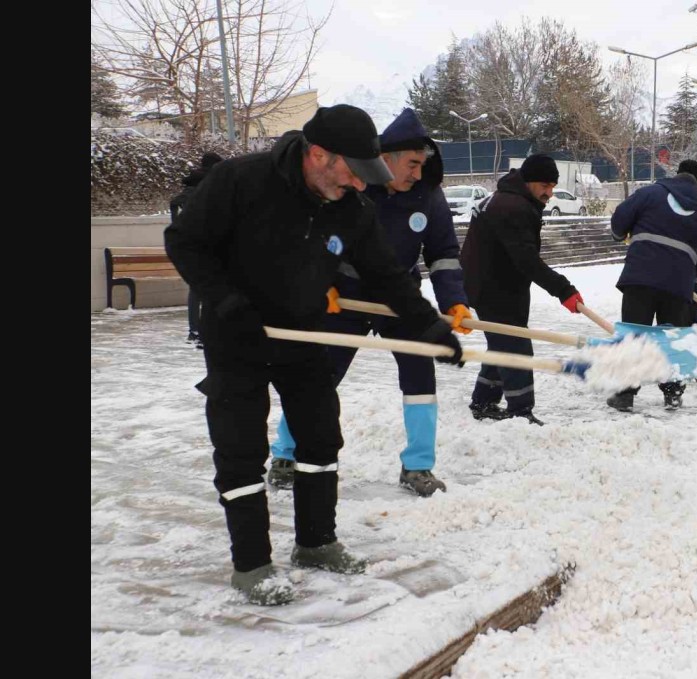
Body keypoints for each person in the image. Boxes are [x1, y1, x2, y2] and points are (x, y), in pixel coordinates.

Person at [164, 104, 463, 606]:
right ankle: (252, 564)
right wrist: (226, 300)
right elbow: (186, 242)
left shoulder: (350, 205)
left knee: (321, 436)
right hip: (237, 333)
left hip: (302, 331)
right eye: (352, 172)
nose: (359, 186)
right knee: (240, 448)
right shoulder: (242, 181)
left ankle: (316, 543)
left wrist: (428, 324)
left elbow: (385, 274)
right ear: (318, 154)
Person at [266, 108, 471, 498]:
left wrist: (454, 302)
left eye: (422, 165)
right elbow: (327, 239)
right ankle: (286, 454)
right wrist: (321, 281)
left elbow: (443, 253)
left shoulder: (428, 195)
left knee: (420, 378)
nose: (417, 173)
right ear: (386, 159)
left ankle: (418, 466)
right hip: (347, 296)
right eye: (412, 164)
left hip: (401, 298)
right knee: (319, 378)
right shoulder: (356, 187)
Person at [460, 154, 583, 425]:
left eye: (553, 186)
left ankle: (484, 401)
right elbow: (526, 259)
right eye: (545, 186)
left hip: (492, 281)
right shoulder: (513, 207)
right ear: (528, 181)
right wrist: (564, 290)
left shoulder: (506, 198)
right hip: (494, 285)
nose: (550, 193)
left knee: (502, 342)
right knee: (515, 345)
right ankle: (521, 411)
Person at [605, 159, 697, 412]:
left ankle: (625, 394)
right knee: (674, 338)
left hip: (641, 276)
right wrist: (695, 280)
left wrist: (620, 233)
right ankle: (673, 394)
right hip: (678, 285)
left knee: (635, 334)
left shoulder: (650, 193)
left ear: (676, 175)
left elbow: (621, 217)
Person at [169, 151, 224, 348]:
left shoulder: (186, 192)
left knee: (197, 290)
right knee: (212, 290)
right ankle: (205, 331)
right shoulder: (209, 187)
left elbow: (175, 213)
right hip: (210, 246)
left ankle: (195, 330)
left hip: (192, 247)